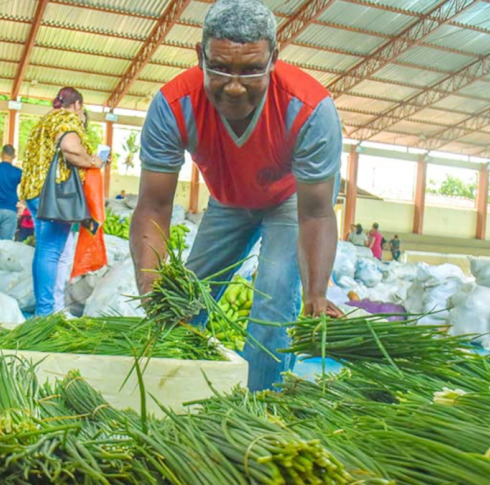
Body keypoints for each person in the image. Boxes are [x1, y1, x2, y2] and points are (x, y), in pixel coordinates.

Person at [131, 0, 343, 391]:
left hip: (288, 203)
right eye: (220, 68)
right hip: (227, 202)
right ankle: (169, 387)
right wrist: (151, 287)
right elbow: (154, 205)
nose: (233, 85)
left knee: (275, 298)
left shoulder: (309, 108)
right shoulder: (174, 105)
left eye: (250, 70)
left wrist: (317, 292)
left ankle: (260, 404)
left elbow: (316, 213)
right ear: (200, 55)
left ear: (274, 58)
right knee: (184, 297)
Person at [20, 86, 103, 316]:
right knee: (50, 251)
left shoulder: (45, 120)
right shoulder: (66, 117)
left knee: (48, 250)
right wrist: (93, 161)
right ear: (77, 105)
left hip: (35, 192)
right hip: (55, 196)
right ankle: (45, 313)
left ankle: (49, 308)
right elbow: (70, 149)